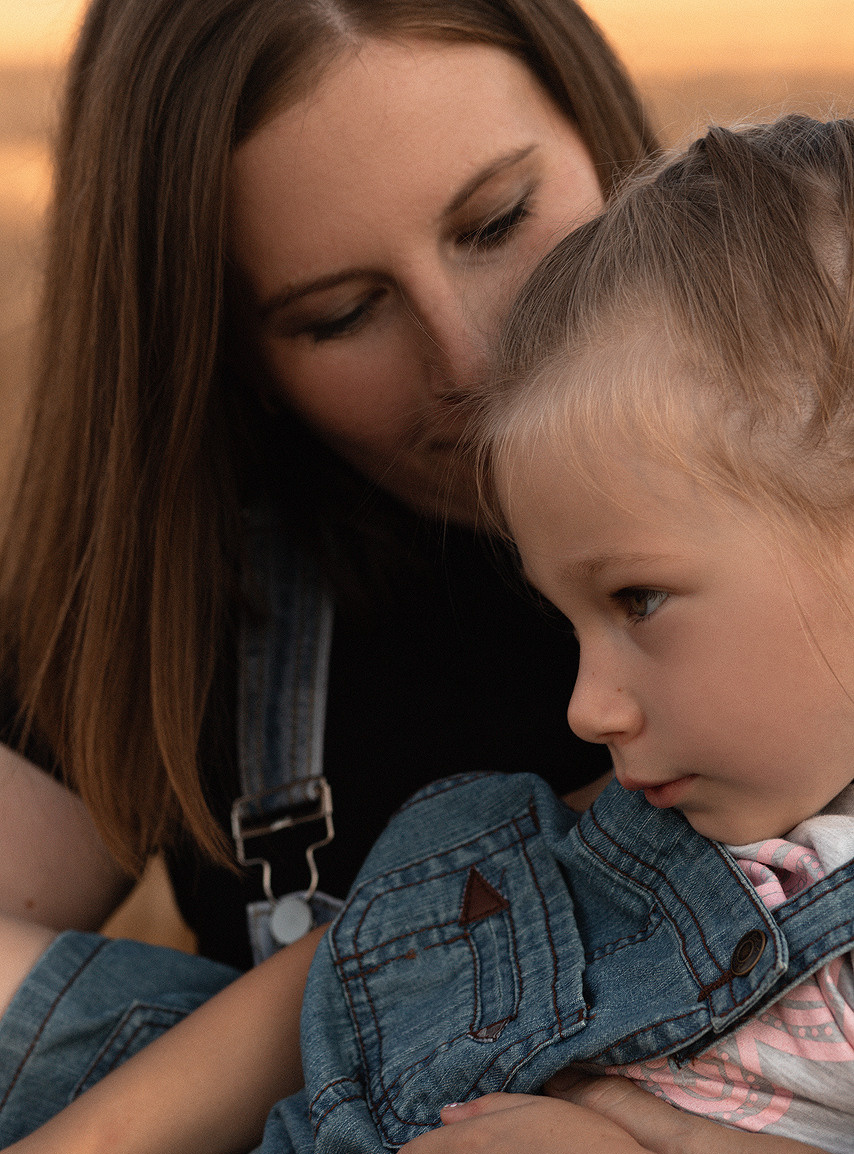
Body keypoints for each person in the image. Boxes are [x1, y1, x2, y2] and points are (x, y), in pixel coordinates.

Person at [2, 113, 854, 1154]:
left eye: (639, 599)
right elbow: (364, 959)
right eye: (337, 309)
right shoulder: (663, 812)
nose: (585, 703)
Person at [0, 0, 655, 968]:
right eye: (340, 314)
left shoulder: (821, 435)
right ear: (224, 353)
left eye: (495, 221)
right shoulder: (190, 586)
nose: (469, 361)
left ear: (597, 135)